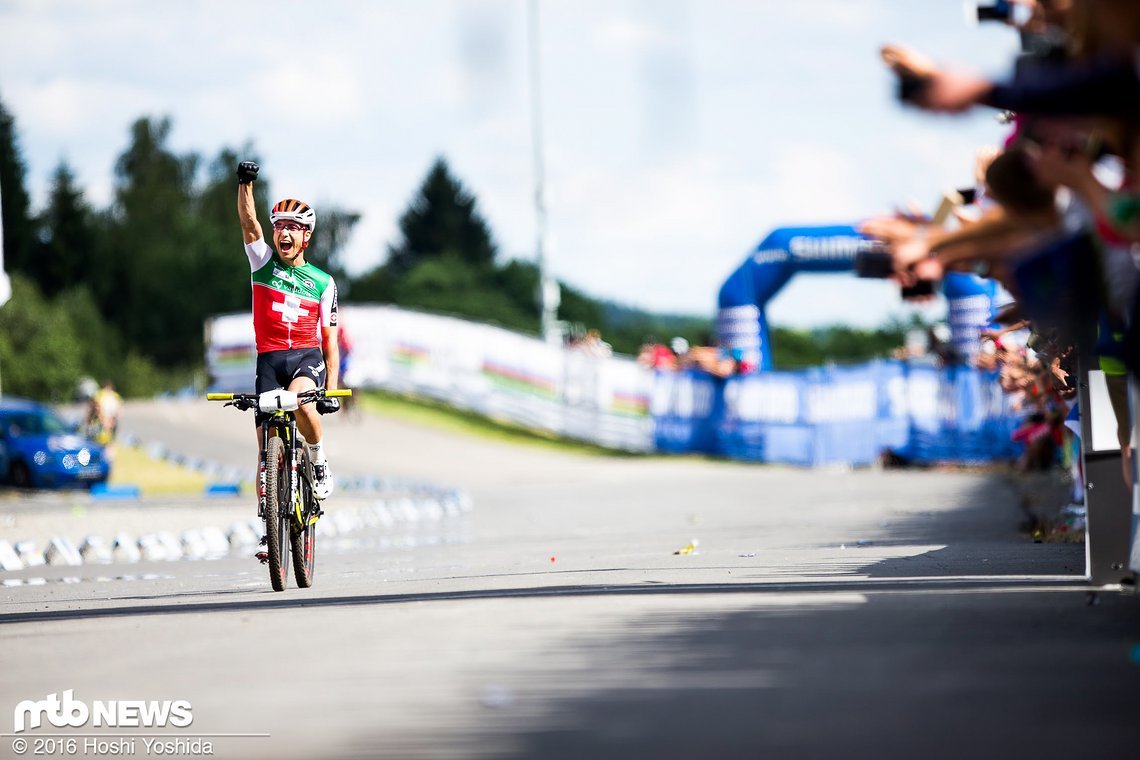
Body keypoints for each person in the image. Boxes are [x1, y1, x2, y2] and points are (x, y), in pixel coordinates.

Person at [236, 160, 340, 501]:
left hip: (306, 357)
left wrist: (333, 390)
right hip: (269, 359)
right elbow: (250, 224)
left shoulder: (324, 282)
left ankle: (317, 456)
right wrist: (245, 184)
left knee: (301, 403)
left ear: (306, 236)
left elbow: (330, 341)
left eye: (293, 227)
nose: (284, 233)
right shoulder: (262, 262)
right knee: (265, 454)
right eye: (279, 226)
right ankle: (268, 529)